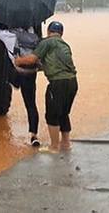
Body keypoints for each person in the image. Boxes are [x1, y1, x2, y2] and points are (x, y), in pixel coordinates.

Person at [0, 0, 41, 147]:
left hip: (17, 74)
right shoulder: (31, 33)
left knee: (3, 65)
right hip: (31, 73)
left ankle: (12, 83)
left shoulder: (8, 36)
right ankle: (34, 135)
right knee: (31, 105)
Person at [15, 21, 78, 153]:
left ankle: (54, 146)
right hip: (72, 82)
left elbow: (32, 58)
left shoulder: (46, 43)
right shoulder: (64, 45)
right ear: (61, 33)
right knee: (63, 114)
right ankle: (66, 144)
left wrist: (19, 61)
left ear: (49, 32)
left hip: (58, 83)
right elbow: (54, 64)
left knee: (52, 114)